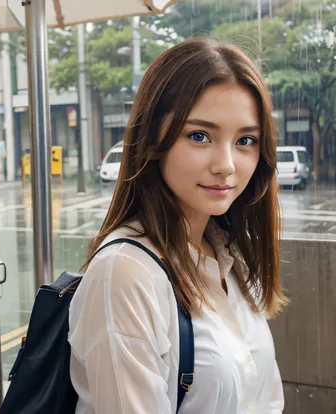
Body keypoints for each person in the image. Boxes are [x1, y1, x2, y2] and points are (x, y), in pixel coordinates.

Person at [68, 38, 287, 414]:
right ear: (153, 138)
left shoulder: (228, 254)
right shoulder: (125, 273)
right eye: (199, 135)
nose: (227, 165)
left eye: (245, 140)